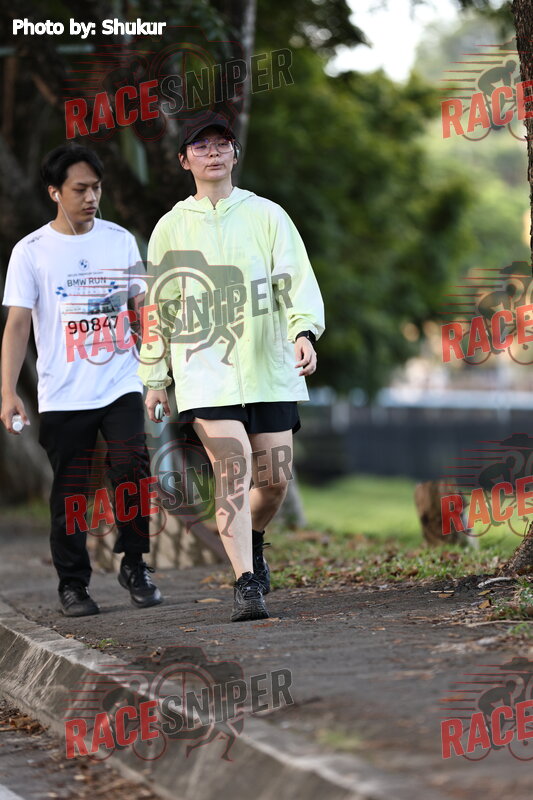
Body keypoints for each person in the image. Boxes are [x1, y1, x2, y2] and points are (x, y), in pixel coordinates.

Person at [138, 111, 324, 622]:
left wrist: (304, 332)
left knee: (274, 480)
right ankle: (245, 583)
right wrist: (155, 377)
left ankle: (253, 540)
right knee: (234, 465)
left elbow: (296, 279)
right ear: (184, 160)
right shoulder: (170, 228)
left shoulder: (268, 215)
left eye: (222, 144)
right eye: (201, 147)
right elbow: (158, 309)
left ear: (235, 153)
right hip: (205, 372)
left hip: (269, 369)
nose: (213, 153)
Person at [1, 144, 162, 616]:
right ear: (55, 192)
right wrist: (7, 391)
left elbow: (143, 308)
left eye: (96, 188)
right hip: (63, 392)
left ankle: (135, 563)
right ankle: (73, 584)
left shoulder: (120, 240)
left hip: (120, 380)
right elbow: (17, 325)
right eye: (80, 189)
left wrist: (156, 371)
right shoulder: (31, 251)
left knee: (132, 467)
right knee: (71, 491)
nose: (91, 197)